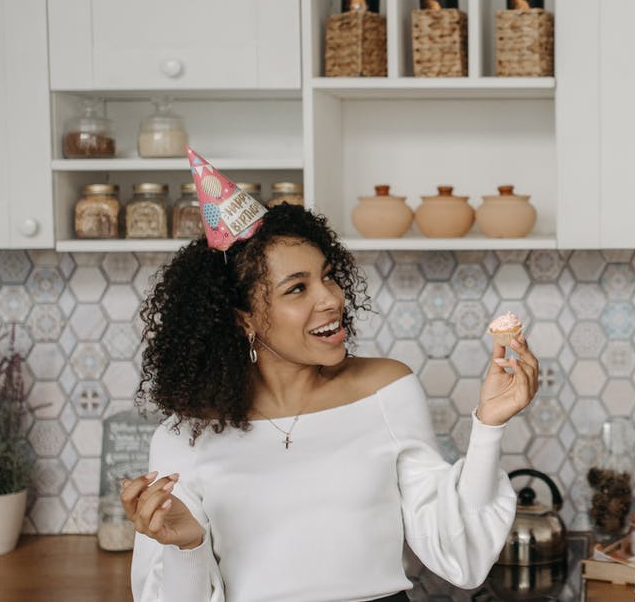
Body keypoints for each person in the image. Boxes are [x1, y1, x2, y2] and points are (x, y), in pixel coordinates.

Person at [123, 149, 539, 602]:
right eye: (297, 288)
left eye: (327, 276)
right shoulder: (184, 437)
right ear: (243, 318)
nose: (331, 298)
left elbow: (462, 555)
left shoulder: (387, 390)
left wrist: (489, 426)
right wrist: (188, 545)